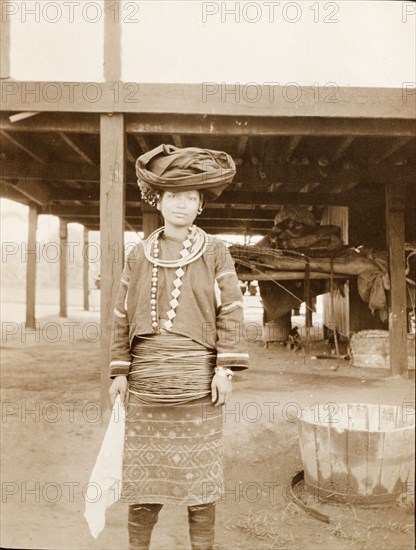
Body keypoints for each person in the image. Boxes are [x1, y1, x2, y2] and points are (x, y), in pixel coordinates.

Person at [108, 144, 249, 550]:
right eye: (173, 196)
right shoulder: (139, 254)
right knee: (143, 477)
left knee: (199, 478)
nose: (181, 205)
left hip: (198, 389)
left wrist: (224, 370)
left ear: (201, 204)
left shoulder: (216, 252)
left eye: (190, 197)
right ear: (158, 200)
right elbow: (120, 314)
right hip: (147, 388)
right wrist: (119, 372)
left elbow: (233, 311)